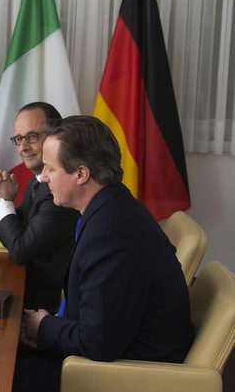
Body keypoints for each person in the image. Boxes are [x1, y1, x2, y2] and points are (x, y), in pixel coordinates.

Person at [14, 115, 194, 392]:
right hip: (116, 352)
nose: (44, 176)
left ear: (81, 174)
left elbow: (98, 341)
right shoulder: (114, 205)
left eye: (50, 168)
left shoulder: (110, 235)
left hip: (123, 375)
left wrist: (44, 326)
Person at [0, 102, 79, 314]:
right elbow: (20, 227)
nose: (23, 147)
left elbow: (21, 250)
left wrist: (3, 203)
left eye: (32, 137)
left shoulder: (60, 192)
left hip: (43, 305)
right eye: (19, 139)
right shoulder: (39, 181)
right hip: (25, 284)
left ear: (56, 135)